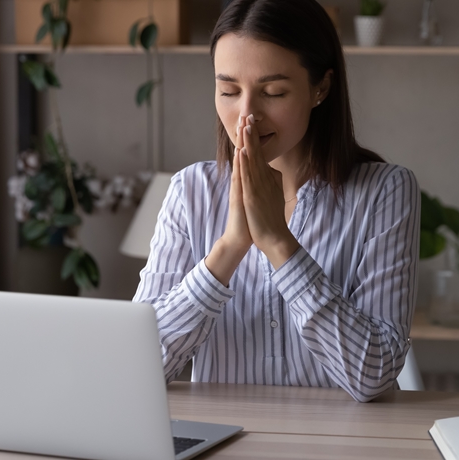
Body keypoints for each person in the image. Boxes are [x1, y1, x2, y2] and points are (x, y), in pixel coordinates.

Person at [133, 0, 420, 403]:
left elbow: (372, 377)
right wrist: (229, 249)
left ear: (321, 88)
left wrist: (279, 243)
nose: (246, 115)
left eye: (273, 92)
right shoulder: (189, 192)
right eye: (229, 90)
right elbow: (136, 365)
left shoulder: (384, 192)